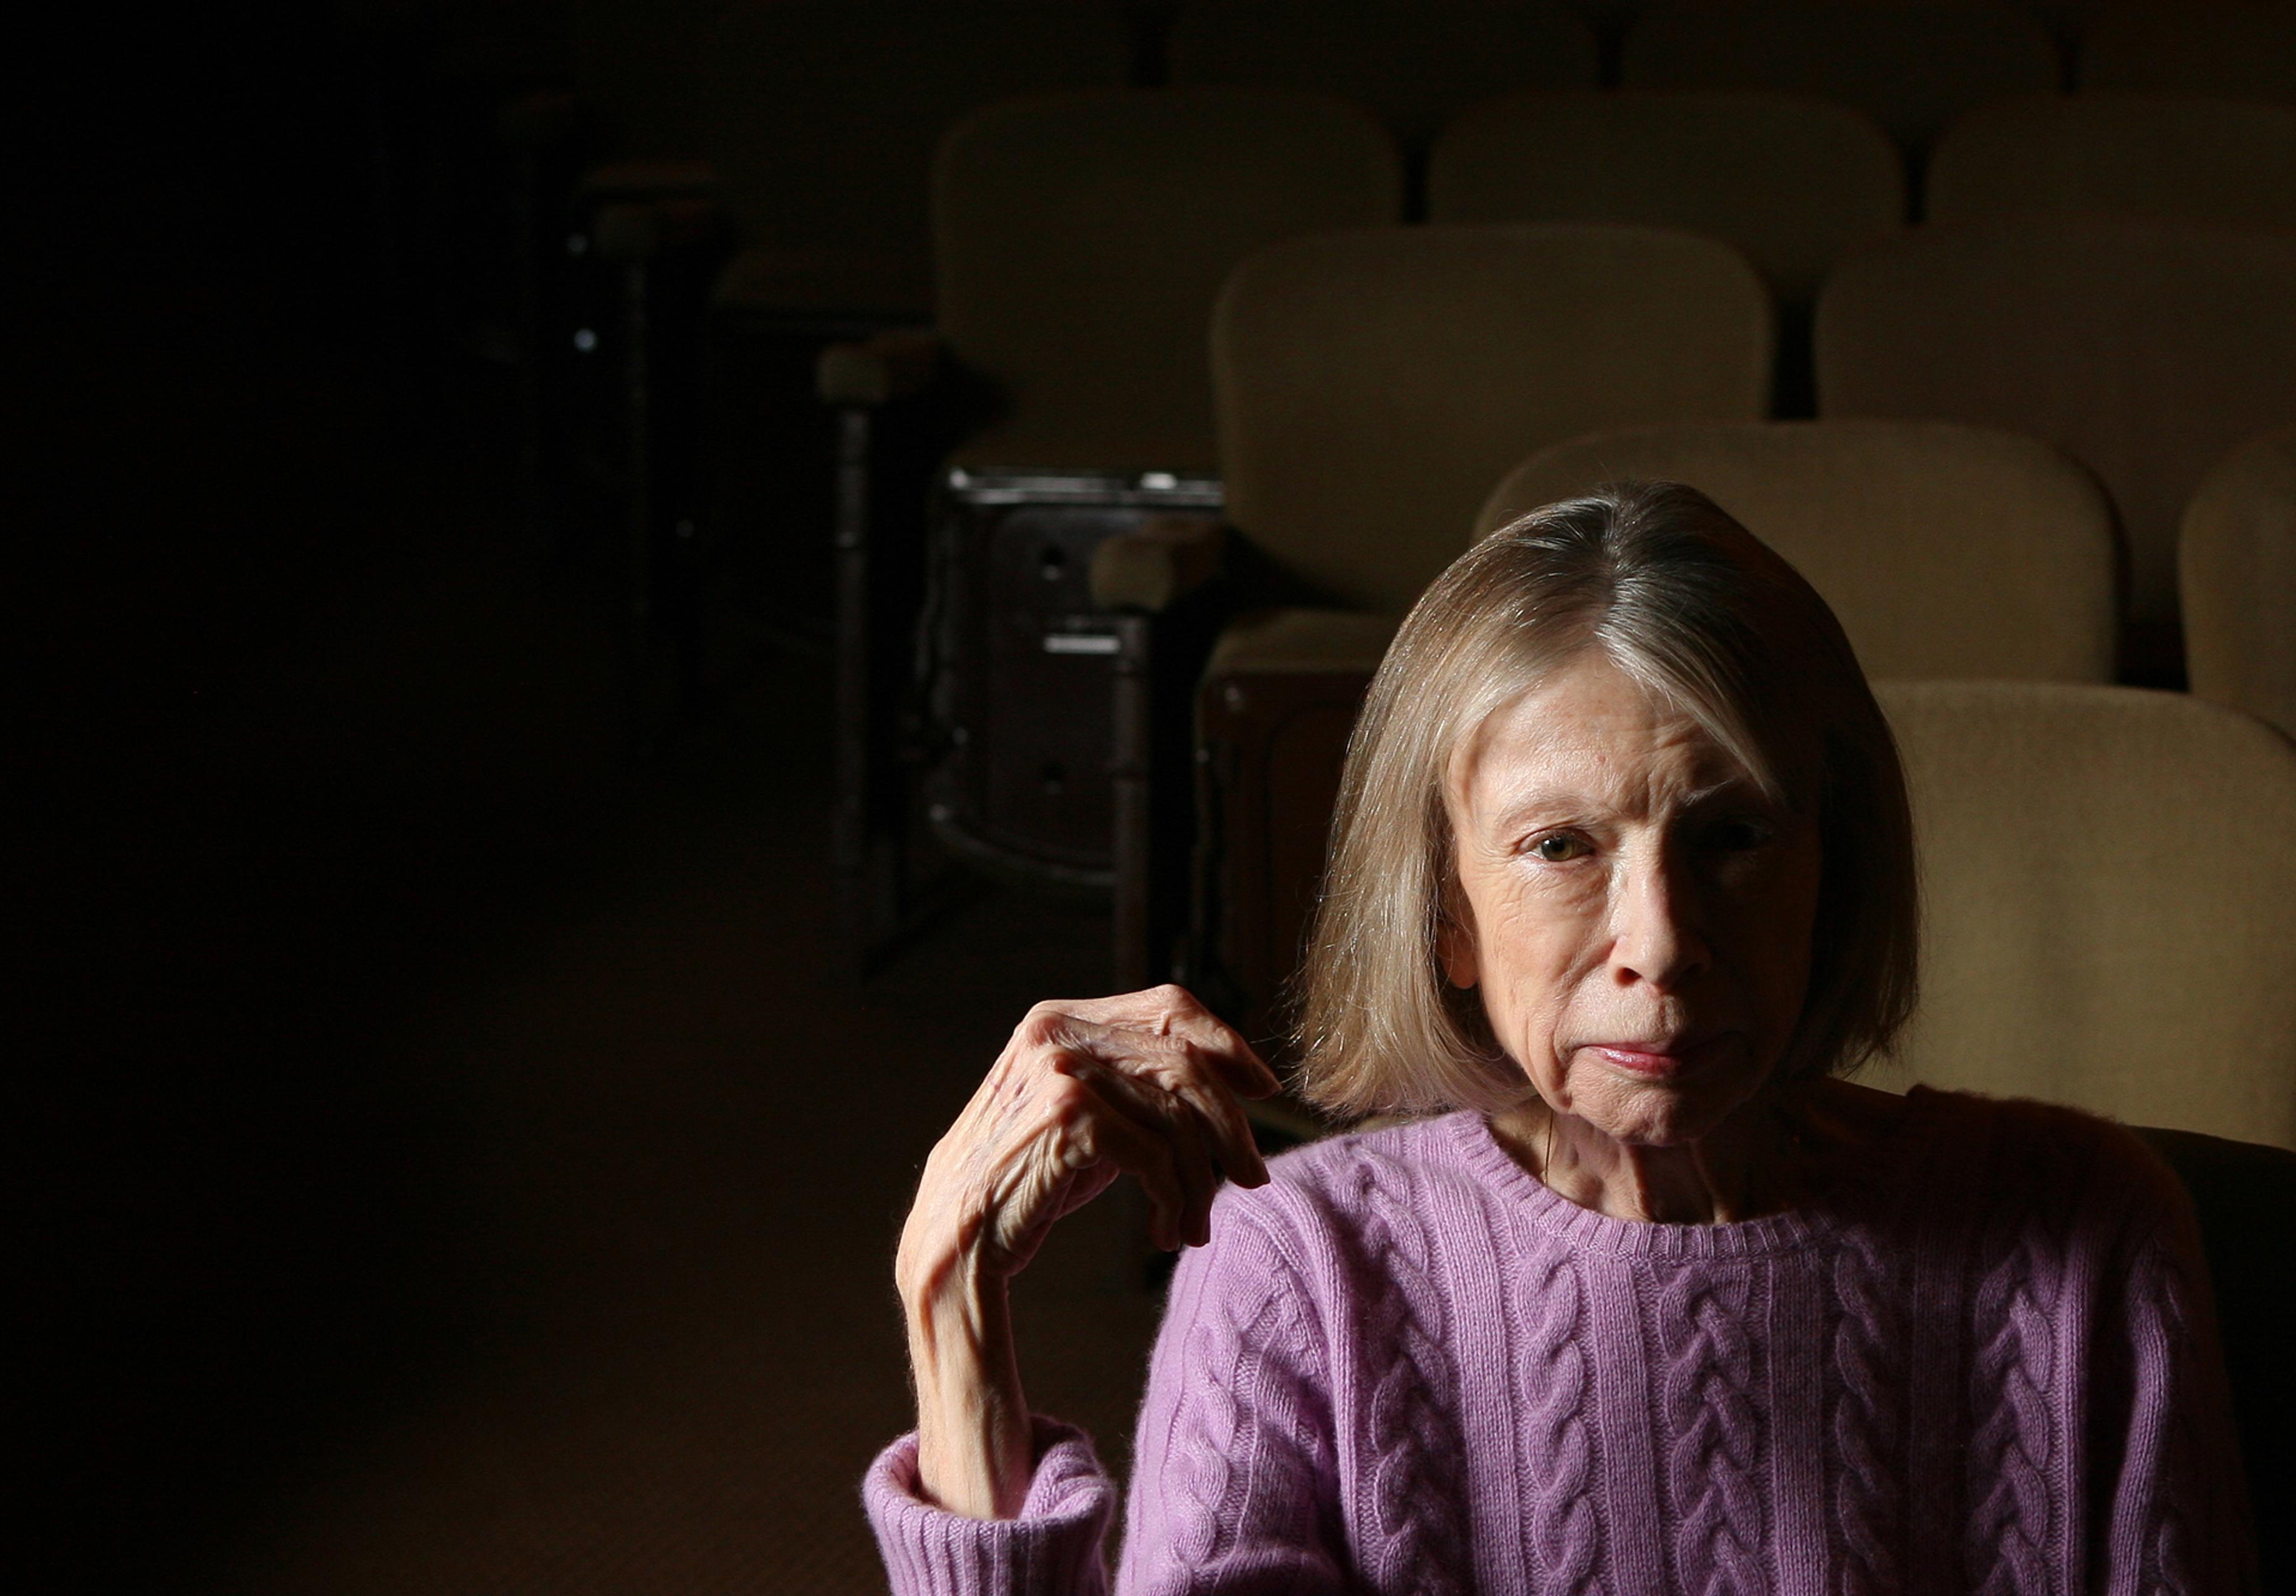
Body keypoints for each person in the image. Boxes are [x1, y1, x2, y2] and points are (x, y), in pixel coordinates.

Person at [863, 483, 2257, 1594]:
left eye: (1733, 834)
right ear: (1446, 914)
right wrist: (953, 1301)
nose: (1662, 939)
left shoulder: (2085, 1232)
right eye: (1561, 845)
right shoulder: (1302, 1269)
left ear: (1832, 873)